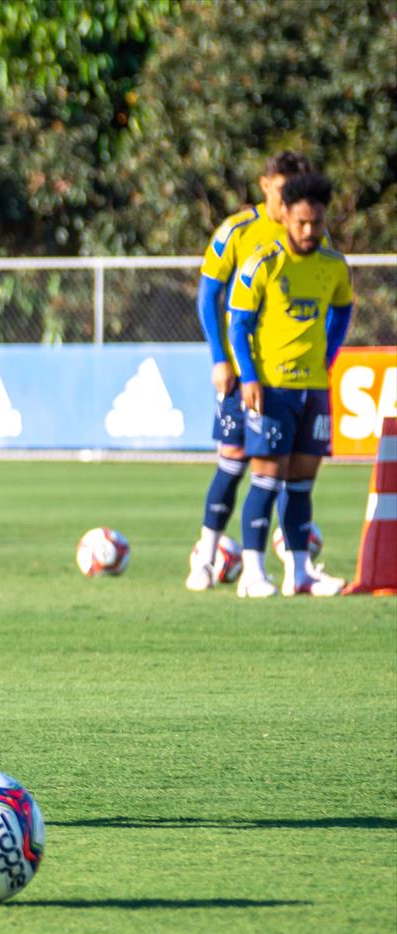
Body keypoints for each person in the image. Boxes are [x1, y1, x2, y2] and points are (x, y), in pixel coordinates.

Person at [186, 151, 314, 591]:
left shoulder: (308, 232)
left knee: (283, 471)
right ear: (265, 185)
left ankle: (287, 566)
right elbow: (208, 298)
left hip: (285, 375)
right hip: (244, 372)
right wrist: (220, 357)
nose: (291, 200)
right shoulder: (237, 230)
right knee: (234, 462)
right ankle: (204, 557)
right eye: (284, 190)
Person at [228, 172, 353, 599]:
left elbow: (342, 310)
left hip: (313, 387)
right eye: (301, 223)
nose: (308, 231)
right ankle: (252, 574)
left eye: (315, 223)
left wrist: (330, 353)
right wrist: (248, 375)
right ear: (285, 217)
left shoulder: (334, 266)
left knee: (302, 483)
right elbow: (239, 321)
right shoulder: (263, 261)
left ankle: (299, 573)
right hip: (272, 388)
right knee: (266, 479)